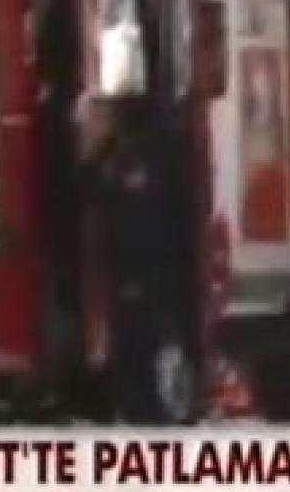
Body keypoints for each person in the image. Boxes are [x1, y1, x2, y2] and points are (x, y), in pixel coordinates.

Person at [74, 92, 184, 424]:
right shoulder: (112, 161)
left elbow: (128, 223)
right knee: (136, 376)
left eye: (89, 122)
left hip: (141, 283)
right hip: (135, 285)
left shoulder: (124, 162)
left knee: (141, 374)